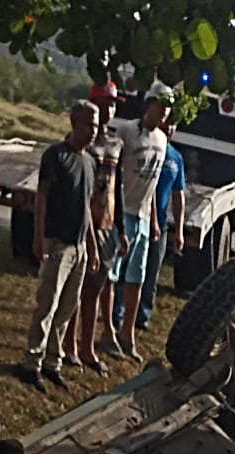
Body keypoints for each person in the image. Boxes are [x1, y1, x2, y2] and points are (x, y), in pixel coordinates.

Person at [15, 101, 101, 393]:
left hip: (79, 247)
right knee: (47, 305)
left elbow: (88, 208)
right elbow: (41, 198)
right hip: (57, 242)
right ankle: (31, 363)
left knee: (67, 307)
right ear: (74, 123)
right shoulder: (56, 156)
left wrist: (92, 248)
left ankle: (53, 362)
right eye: (89, 124)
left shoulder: (91, 162)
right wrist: (38, 237)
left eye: (97, 125)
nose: (94, 131)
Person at [105, 81, 174, 362]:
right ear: (148, 105)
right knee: (112, 274)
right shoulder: (127, 132)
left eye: (168, 109)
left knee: (137, 277)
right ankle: (107, 330)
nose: (164, 113)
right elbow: (113, 174)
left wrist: (155, 219)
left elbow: (155, 182)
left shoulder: (163, 140)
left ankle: (127, 334)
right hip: (124, 212)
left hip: (145, 217)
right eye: (161, 106)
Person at [65, 81, 126, 376]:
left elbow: (120, 187)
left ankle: (88, 346)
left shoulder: (116, 144)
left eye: (112, 105)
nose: (108, 110)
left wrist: (122, 229)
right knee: (76, 288)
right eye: (103, 104)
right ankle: (69, 344)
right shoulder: (81, 143)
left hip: (108, 223)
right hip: (83, 223)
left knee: (96, 289)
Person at [113, 116, 184, 334]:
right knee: (124, 270)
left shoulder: (175, 157)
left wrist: (178, 230)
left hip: (160, 225)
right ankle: (118, 314)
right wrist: (151, 219)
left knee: (149, 274)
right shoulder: (149, 146)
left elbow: (178, 194)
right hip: (140, 216)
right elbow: (148, 187)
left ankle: (141, 318)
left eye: (173, 125)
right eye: (166, 124)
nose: (169, 128)